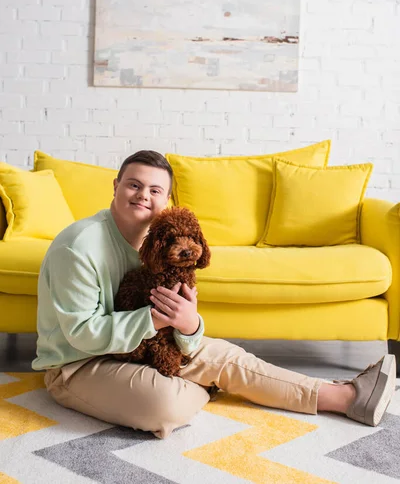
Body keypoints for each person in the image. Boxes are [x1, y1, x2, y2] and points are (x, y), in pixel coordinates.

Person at [32, 150, 396, 439]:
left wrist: (188, 327)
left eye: (155, 190)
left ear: (167, 200)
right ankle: (206, 386)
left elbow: (183, 329)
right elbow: (80, 333)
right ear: (115, 186)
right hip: (79, 364)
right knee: (164, 407)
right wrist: (156, 318)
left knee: (229, 357)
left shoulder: (161, 245)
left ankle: (346, 397)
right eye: (133, 185)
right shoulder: (78, 246)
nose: (143, 195)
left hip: (145, 348)